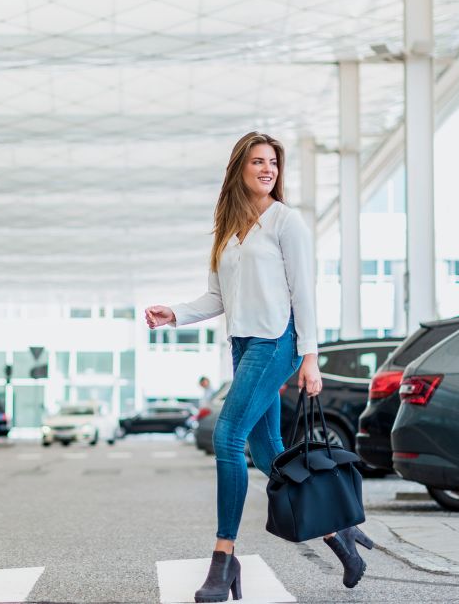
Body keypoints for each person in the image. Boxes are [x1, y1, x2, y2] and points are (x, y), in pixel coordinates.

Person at [145, 132, 372, 602]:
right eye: (257, 162)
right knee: (271, 454)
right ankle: (339, 535)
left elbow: (303, 292)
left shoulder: (286, 222)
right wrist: (176, 313)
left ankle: (224, 559)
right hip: (244, 344)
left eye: (272, 162)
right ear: (238, 170)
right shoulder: (227, 229)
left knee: (228, 438)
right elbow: (217, 297)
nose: (267, 169)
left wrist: (310, 355)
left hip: (277, 342)